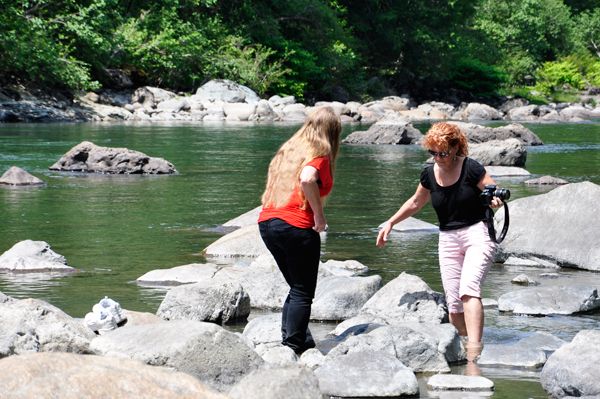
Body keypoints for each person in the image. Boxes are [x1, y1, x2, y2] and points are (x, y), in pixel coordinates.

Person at [376, 122, 502, 350]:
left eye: (442, 153)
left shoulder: (471, 168)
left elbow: (493, 190)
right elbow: (416, 201)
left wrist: (495, 199)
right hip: (448, 239)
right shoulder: (429, 174)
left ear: (455, 148)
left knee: (469, 289)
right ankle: (463, 346)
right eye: (432, 152)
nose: (438, 157)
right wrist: (391, 223)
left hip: (477, 234)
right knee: (453, 303)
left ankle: (475, 349)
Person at [258, 106, 341, 354]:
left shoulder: (288, 150)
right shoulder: (321, 152)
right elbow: (307, 179)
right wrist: (319, 214)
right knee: (303, 292)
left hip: (268, 224)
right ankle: (292, 347)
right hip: (296, 226)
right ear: (333, 131)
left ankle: (298, 340)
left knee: (296, 287)